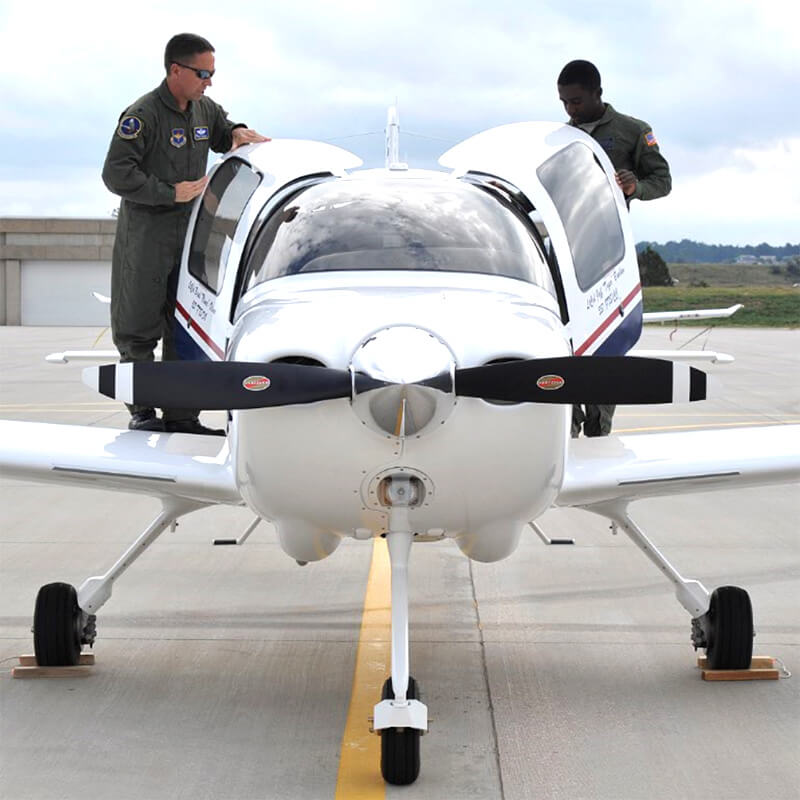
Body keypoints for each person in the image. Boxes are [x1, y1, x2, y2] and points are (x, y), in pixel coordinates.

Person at [103, 33, 269, 434]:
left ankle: (182, 417)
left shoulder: (203, 109)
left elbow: (221, 130)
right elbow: (115, 173)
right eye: (202, 73)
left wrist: (237, 132)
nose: (208, 82)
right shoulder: (141, 116)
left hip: (191, 236)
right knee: (139, 326)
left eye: (211, 74)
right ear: (175, 70)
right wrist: (168, 193)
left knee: (185, 325)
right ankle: (143, 412)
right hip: (147, 236)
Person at [556, 59, 671, 437]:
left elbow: (663, 180)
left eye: (575, 101)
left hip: (608, 254)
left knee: (606, 344)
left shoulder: (633, 131)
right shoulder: (559, 138)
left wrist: (635, 187)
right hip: (567, 251)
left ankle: (599, 430)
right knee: (568, 342)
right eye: (564, 103)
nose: (570, 110)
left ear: (597, 94)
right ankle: (567, 426)